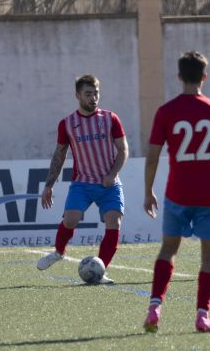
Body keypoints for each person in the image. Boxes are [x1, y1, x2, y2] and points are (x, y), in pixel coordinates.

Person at [142, 52, 210, 333]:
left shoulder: (166, 111)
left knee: (168, 250)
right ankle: (202, 315)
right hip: (209, 194)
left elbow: (153, 157)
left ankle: (155, 307)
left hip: (178, 192)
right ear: (204, 77)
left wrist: (148, 191)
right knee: (209, 255)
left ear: (179, 77)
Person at [37, 74, 129, 284]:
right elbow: (60, 155)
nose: (93, 98)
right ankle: (59, 252)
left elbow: (123, 149)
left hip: (109, 184)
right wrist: (49, 185)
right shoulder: (67, 124)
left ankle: (101, 271)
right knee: (70, 219)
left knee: (113, 222)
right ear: (77, 95)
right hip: (83, 183)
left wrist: (113, 174)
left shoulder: (110, 119)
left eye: (96, 93)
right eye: (88, 94)